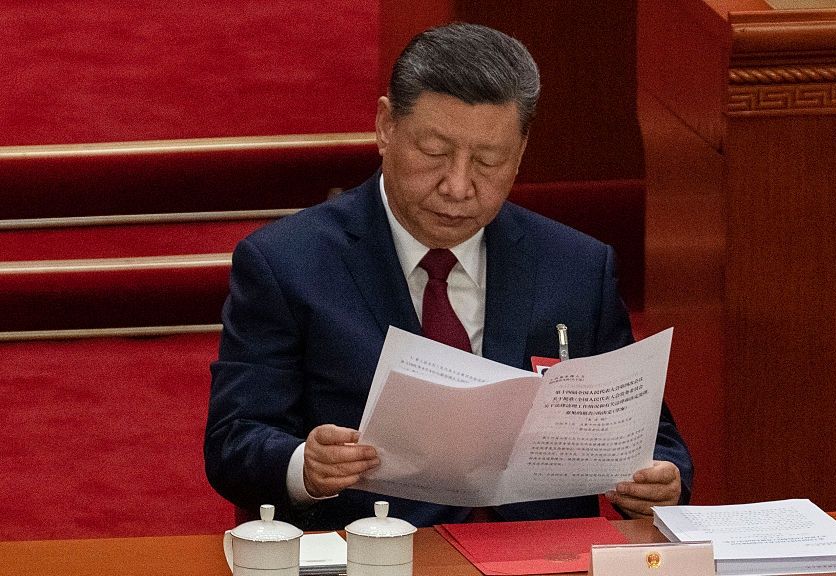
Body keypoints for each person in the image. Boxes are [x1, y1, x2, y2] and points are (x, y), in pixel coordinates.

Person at [204, 22, 693, 530]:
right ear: (385, 126)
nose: (458, 186)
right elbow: (234, 439)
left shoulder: (576, 267)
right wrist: (304, 465)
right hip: (376, 554)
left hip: (538, 555)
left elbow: (650, 435)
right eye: (434, 153)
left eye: (488, 160)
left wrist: (664, 478)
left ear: (521, 150)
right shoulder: (288, 264)